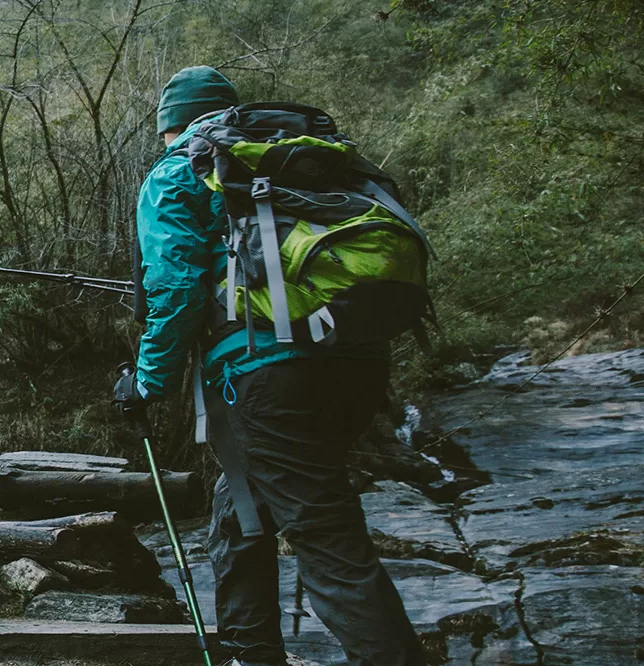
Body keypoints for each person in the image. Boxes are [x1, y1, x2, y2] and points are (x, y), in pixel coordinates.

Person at [114, 65, 422, 666]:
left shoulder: (180, 168)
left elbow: (176, 286)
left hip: (268, 374)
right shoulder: (291, 160)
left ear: (171, 125)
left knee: (327, 539)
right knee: (239, 507)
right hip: (357, 363)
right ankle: (252, 655)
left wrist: (148, 383)